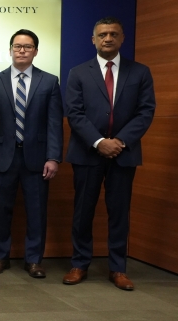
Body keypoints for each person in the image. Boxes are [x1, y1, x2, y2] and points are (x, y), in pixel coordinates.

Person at [63, 17, 155, 291]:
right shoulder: (78, 72)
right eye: (102, 34)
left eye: (114, 34)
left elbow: (146, 111)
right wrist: (99, 141)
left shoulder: (140, 72)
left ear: (122, 38)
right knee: (83, 211)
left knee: (119, 212)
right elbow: (74, 113)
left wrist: (120, 141)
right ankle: (79, 264)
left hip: (123, 154)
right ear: (93, 40)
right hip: (87, 153)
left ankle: (118, 268)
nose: (108, 38)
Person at [0, 29, 63, 279]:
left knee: (37, 211)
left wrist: (53, 157)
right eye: (17, 46)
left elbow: (54, 123)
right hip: (2, 157)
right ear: (10, 50)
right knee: (0, 209)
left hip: (37, 159)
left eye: (27, 47)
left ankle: (34, 260)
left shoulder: (49, 81)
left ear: (36, 51)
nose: (22, 51)